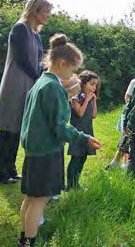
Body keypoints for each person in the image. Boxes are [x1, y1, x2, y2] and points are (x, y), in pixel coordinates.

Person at [17, 34, 101, 247]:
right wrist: (84, 138)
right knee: (40, 198)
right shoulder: (54, 88)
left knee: (30, 196)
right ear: (63, 63)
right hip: (46, 151)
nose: (73, 75)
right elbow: (61, 126)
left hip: (34, 149)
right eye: (73, 70)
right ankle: (29, 241)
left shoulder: (40, 83)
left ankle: (24, 236)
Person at [0, 0, 52, 184]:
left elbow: (41, 61)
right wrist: (38, 76)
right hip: (15, 85)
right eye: (45, 12)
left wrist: (47, 73)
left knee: (18, 129)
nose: (48, 16)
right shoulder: (20, 29)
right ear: (35, 11)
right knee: (9, 129)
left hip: (29, 85)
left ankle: (9, 170)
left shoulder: (35, 34)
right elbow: (23, 60)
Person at [105, 56, 135, 173]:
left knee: (131, 139)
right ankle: (119, 162)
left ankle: (119, 162)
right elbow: (127, 97)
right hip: (132, 114)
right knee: (127, 137)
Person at [67, 70, 100, 189]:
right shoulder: (76, 98)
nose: (94, 87)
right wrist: (86, 100)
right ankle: (70, 184)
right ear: (83, 84)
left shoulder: (91, 98)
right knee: (76, 157)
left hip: (87, 130)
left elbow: (94, 115)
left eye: (95, 85)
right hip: (78, 132)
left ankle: (76, 182)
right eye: (91, 84)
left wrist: (94, 100)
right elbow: (80, 113)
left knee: (83, 157)